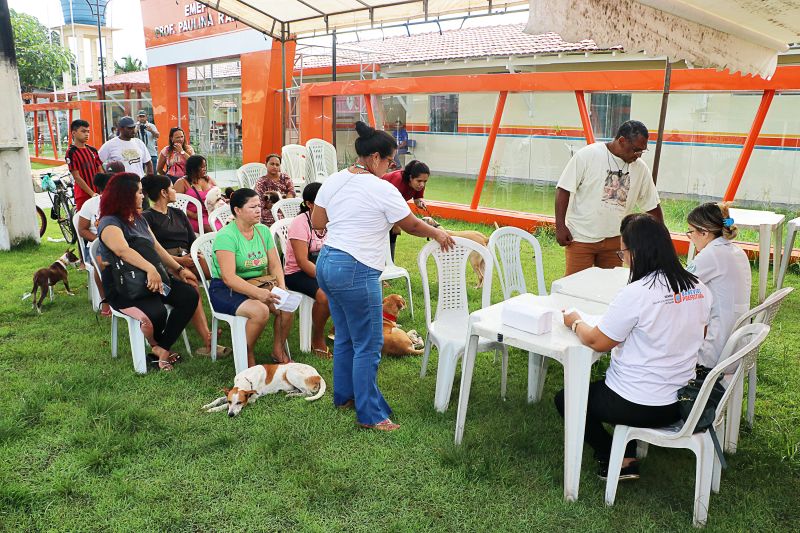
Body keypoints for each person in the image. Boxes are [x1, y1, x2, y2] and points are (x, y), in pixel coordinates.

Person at [311, 121, 454, 431]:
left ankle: (345, 397)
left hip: (327, 263)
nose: (393, 165)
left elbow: (317, 219)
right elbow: (413, 224)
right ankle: (371, 415)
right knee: (369, 342)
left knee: (347, 336)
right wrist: (439, 235)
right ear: (375, 157)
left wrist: (350, 216)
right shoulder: (381, 187)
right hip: (355, 268)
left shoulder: (334, 179)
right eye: (391, 160)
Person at [559, 213, 712, 480]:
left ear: (637, 252)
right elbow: (698, 332)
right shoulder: (698, 286)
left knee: (565, 398)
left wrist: (575, 322)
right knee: (610, 388)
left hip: (638, 403)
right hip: (682, 399)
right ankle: (623, 445)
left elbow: (597, 341)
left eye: (623, 252)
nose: (624, 258)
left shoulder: (638, 292)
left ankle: (615, 456)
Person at [96, 173, 200, 371]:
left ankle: (161, 349)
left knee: (188, 295)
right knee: (156, 313)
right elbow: (122, 251)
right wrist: (150, 268)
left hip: (150, 279)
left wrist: (179, 270)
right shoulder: (109, 223)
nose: (143, 196)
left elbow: (157, 248)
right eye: (139, 192)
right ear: (125, 195)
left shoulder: (138, 219)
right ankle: (159, 351)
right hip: (124, 286)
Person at [555, 120, 664, 276]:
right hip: (581, 237)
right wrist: (560, 225)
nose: (639, 155)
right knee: (573, 289)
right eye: (636, 150)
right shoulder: (588, 155)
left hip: (615, 240)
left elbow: (652, 206)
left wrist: (661, 238)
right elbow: (564, 188)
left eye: (642, 151)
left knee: (608, 290)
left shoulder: (640, 168)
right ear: (621, 141)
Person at [141, 175, 230, 358]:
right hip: (168, 264)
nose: (175, 191)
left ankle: (231, 313)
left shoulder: (178, 214)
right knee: (191, 284)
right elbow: (154, 250)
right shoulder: (147, 218)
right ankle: (208, 341)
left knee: (220, 273)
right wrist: (181, 263)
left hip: (188, 257)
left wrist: (196, 257)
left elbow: (192, 240)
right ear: (163, 193)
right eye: (172, 188)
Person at [209, 188, 294, 368]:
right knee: (260, 311)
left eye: (259, 206)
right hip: (227, 289)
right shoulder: (226, 236)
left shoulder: (263, 230)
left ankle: (278, 349)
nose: (259, 210)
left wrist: (282, 286)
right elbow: (229, 278)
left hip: (259, 282)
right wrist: (258, 294)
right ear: (237, 210)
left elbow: (275, 265)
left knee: (286, 304)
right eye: (252, 206)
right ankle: (245, 353)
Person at [686, 202, 752, 370]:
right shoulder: (737, 251)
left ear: (704, 232)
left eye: (691, 232)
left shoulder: (712, 254)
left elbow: (678, 285)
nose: (690, 237)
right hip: (739, 342)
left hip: (716, 351)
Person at [285, 182, 331, 358]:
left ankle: (338, 330)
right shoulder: (300, 222)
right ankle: (317, 338)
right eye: (322, 201)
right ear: (309, 204)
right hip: (296, 272)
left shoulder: (331, 219)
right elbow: (302, 262)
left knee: (348, 285)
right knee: (324, 295)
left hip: (322, 266)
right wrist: (326, 276)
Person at [77, 172, 111, 316]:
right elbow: (82, 229)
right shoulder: (91, 204)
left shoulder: (122, 202)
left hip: (118, 244)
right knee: (101, 263)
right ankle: (105, 302)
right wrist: (99, 240)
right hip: (96, 245)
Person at [381, 159, 430, 260]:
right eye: (419, 181)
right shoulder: (398, 180)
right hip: (380, 205)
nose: (422, 184)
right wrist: (396, 224)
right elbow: (390, 205)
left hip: (391, 208)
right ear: (410, 177)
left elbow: (417, 199)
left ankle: (390, 262)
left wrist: (420, 203)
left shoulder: (419, 185)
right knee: (386, 232)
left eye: (425, 181)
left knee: (392, 234)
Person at [65, 119, 104, 211]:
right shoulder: (71, 152)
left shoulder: (92, 150)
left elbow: (100, 170)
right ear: (74, 133)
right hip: (83, 195)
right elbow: (77, 177)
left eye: (88, 132)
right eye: (83, 131)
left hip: (98, 193)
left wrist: (103, 189)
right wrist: (92, 193)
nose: (86, 134)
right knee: (84, 223)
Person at [174, 155, 217, 233]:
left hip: (211, 214)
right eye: (202, 167)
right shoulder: (182, 182)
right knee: (212, 229)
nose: (205, 169)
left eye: (205, 166)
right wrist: (193, 215)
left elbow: (218, 193)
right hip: (193, 217)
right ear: (193, 169)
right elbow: (175, 204)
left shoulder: (208, 179)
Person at [254, 153, 295, 226]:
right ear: (266, 164)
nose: (275, 167)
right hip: (269, 211)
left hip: (286, 207)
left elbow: (291, 192)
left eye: (277, 165)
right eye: (272, 164)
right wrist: (274, 206)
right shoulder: (261, 182)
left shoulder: (285, 177)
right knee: (279, 218)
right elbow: (260, 203)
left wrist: (283, 205)